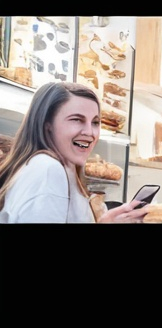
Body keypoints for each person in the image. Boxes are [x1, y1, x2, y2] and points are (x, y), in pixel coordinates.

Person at [0, 82, 153, 223]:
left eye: (95, 122)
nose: (89, 132)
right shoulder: (48, 169)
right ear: (47, 124)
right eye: (76, 120)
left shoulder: (60, 168)